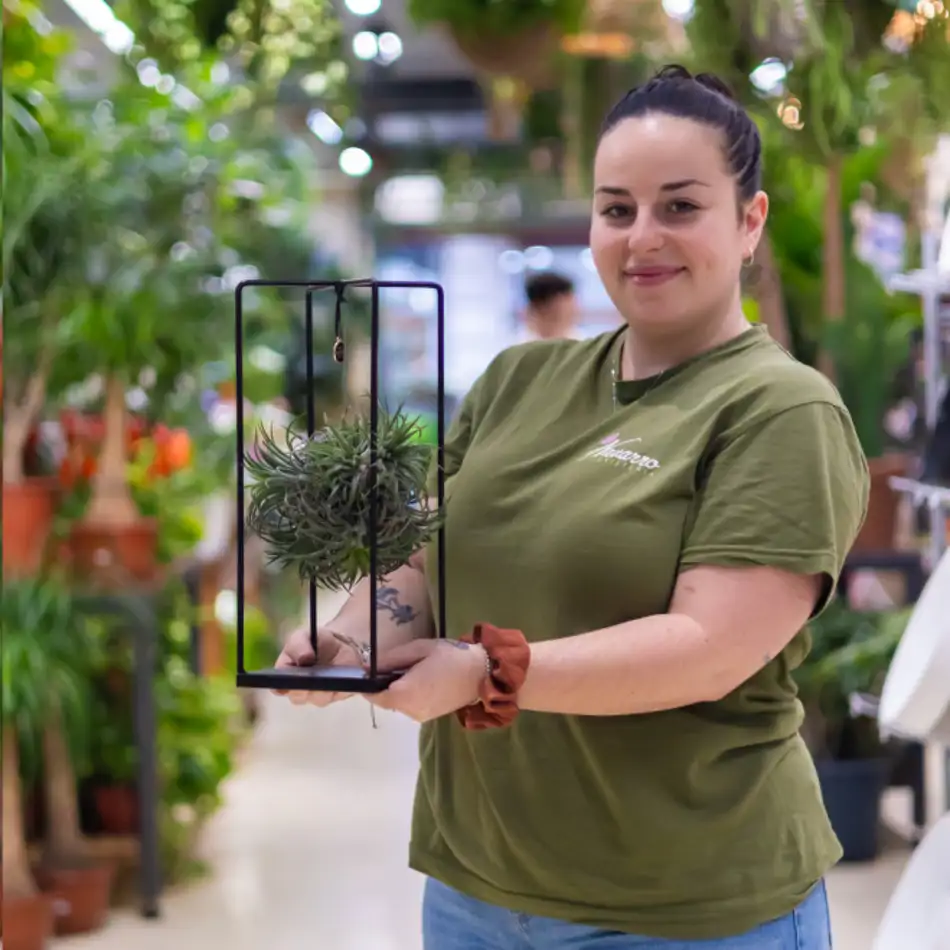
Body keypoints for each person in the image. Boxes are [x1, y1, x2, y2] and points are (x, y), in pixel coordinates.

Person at [276, 64, 870, 950]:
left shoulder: (779, 410)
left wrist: (486, 673)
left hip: (683, 907)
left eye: (680, 206)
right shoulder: (520, 378)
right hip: (476, 884)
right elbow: (424, 554)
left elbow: (708, 650)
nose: (642, 238)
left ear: (749, 222)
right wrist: (356, 641)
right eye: (617, 208)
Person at [518, 270, 579, 342]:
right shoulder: (522, 344)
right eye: (568, 301)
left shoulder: (576, 339)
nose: (575, 309)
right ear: (541, 306)